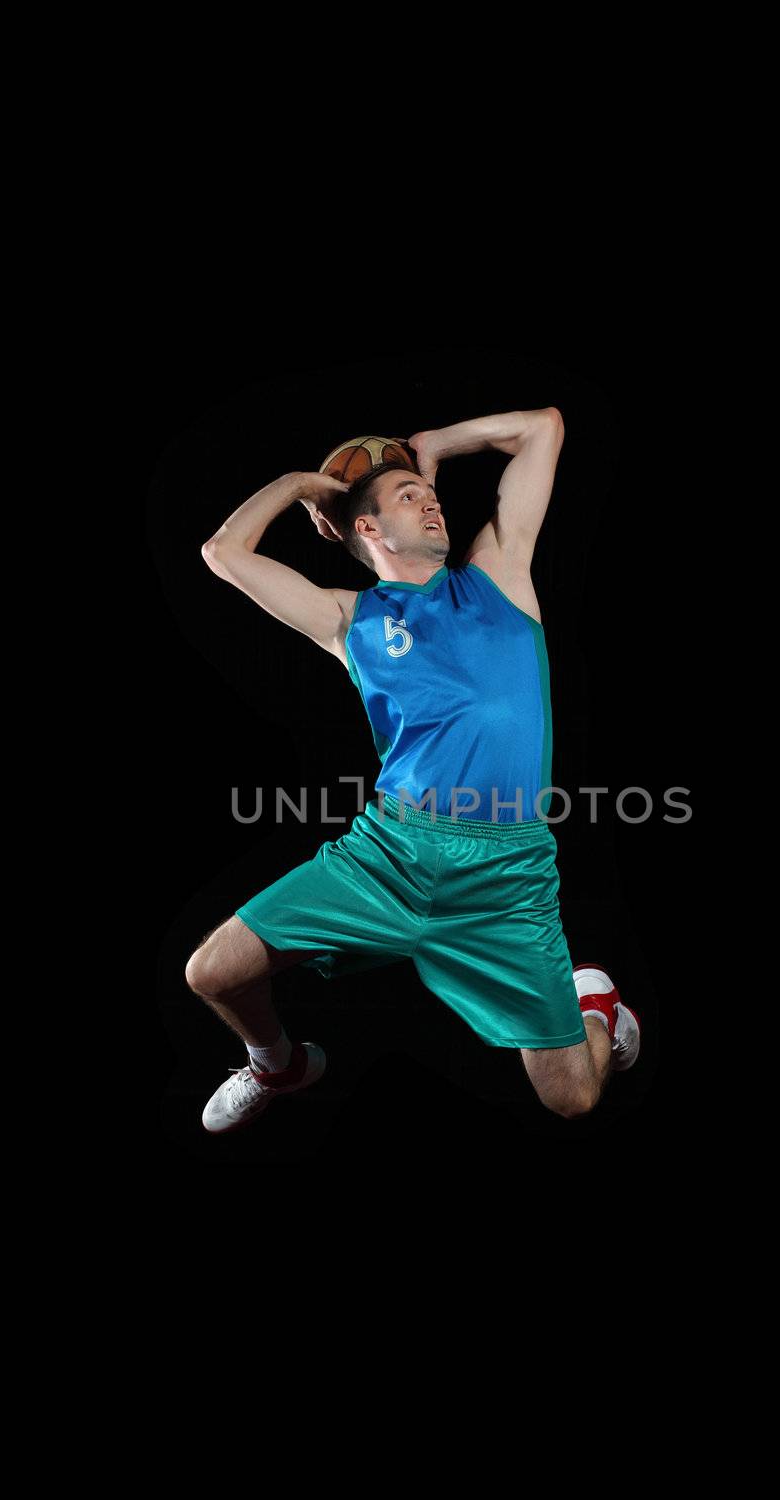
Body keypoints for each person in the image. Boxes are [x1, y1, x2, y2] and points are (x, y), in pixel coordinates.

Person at [187, 407, 640, 1133]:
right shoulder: (347, 618)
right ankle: (279, 1063)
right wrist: (304, 483)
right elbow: (223, 551)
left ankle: (592, 1001)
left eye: (427, 493)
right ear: (366, 529)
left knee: (573, 1096)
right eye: (407, 496)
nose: (430, 499)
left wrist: (434, 447)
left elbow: (543, 429)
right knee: (210, 974)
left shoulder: (497, 575)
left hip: (505, 876)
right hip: (387, 855)